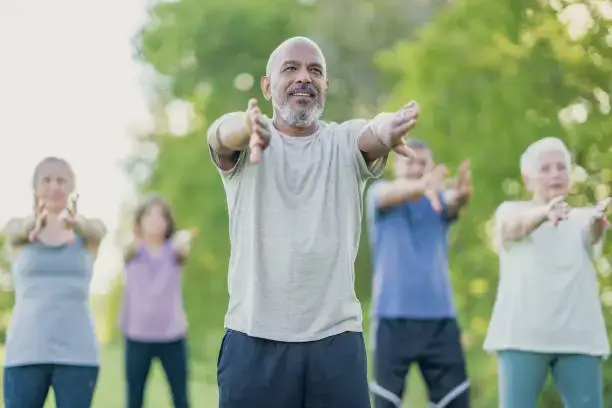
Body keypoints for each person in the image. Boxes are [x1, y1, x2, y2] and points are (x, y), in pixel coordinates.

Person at [207, 36, 420, 408]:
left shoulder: (342, 142)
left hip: (335, 344)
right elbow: (221, 135)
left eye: (315, 71)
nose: (304, 77)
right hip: (253, 341)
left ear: (326, 86)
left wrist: (389, 128)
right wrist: (246, 127)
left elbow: (373, 130)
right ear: (267, 85)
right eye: (290, 68)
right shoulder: (247, 143)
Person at [484, 137, 610, 408]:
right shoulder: (510, 211)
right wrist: (544, 213)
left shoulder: (582, 218)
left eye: (561, 167)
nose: (555, 174)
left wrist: (599, 222)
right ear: (527, 178)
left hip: (579, 340)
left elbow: (593, 234)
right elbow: (513, 228)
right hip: (521, 338)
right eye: (546, 168)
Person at [366, 139, 472, 408]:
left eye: (422, 163)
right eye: (409, 161)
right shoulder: (380, 193)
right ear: (396, 165)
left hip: (440, 320)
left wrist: (461, 194)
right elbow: (393, 196)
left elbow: (453, 203)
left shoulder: (438, 201)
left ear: (432, 167)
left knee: (455, 401)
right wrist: (423, 186)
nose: (415, 168)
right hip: (392, 319)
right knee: (385, 402)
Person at [1, 156, 107, 408]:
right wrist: (33, 224)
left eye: (62, 180)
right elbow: (14, 231)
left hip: (78, 354)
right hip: (24, 352)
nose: (54, 186)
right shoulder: (19, 231)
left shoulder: (88, 232)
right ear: (34, 188)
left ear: (72, 187)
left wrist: (75, 223)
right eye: (46, 180)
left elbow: (97, 231)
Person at [119, 195, 194, 408]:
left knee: (181, 398)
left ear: (168, 221)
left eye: (161, 215)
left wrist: (183, 239)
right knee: (134, 399)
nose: (155, 220)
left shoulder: (175, 250)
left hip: (172, 335)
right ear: (140, 221)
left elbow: (183, 246)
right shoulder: (132, 252)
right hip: (137, 335)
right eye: (149, 215)